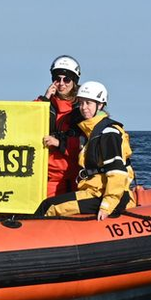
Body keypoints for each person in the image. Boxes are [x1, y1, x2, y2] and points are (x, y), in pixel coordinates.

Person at [35, 81, 134, 221]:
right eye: (81, 103)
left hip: (103, 195)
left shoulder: (108, 133)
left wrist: (107, 205)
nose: (84, 108)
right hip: (94, 191)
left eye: (88, 103)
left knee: (49, 206)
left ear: (100, 105)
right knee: (49, 204)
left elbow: (117, 172)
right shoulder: (91, 131)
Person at [37, 55, 83, 197]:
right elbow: (28, 121)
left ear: (74, 81)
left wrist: (59, 143)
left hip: (75, 176)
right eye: (57, 79)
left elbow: (88, 142)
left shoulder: (83, 107)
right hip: (48, 176)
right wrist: (45, 99)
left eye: (66, 79)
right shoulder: (44, 104)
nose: (61, 83)